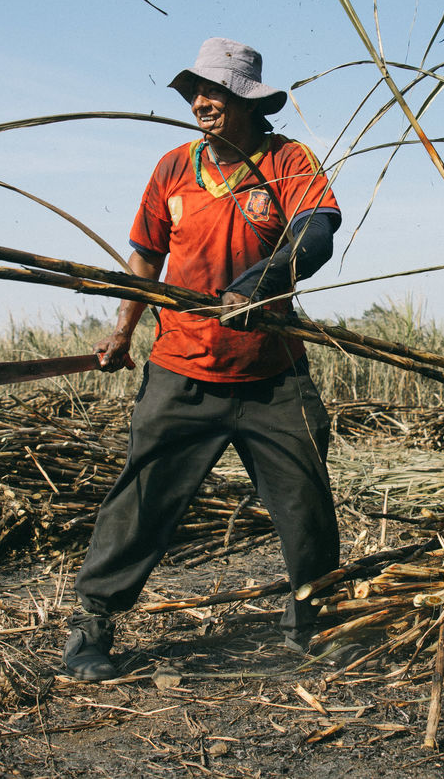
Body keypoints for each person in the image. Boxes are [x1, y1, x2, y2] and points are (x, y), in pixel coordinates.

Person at [63, 37, 344, 681]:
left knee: (305, 503)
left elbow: (316, 232)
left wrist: (260, 284)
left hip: (273, 373)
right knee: (141, 501)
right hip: (182, 369)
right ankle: (94, 624)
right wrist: (123, 331)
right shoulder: (173, 168)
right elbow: (145, 258)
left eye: (214, 92)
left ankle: (314, 621)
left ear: (247, 101)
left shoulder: (287, 161)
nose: (200, 103)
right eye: (195, 92)